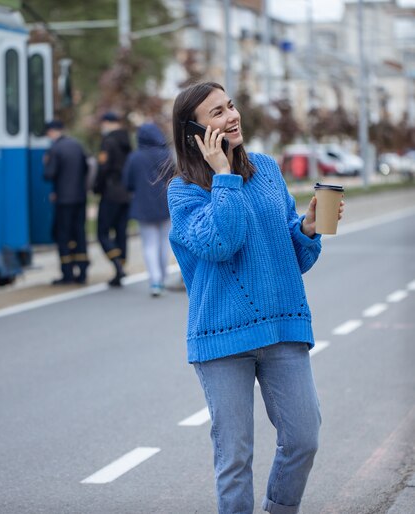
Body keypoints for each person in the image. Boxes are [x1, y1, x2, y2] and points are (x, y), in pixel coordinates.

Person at [165, 82, 344, 514]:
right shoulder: (184, 190)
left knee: (304, 437)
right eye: (217, 113)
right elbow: (222, 242)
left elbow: (291, 255)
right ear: (193, 130)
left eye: (231, 106)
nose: (232, 116)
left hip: (283, 328)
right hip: (222, 338)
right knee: (235, 456)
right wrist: (222, 174)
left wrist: (306, 228)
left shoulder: (265, 169)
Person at [122, 122, 172, 297]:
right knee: (165, 242)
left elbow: (127, 182)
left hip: (143, 205)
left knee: (149, 244)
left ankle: (155, 280)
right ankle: (163, 278)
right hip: (165, 204)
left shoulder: (134, 157)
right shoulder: (166, 155)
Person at [43, 120, 89, 285]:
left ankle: (67, 272)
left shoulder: (55, 149)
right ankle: (83, 271)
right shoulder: (77, 145)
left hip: (63, 199)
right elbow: (86, 168)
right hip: (80, 197)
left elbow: (49, 174)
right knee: (79, 234)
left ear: (51, 132)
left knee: (62, 235)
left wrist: (46, 162)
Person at [94, 112, 132, 287]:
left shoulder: (108, 142)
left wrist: (97, 187)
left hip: (111, 191)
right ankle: (121, 267)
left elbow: (103, 168)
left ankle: (117, 264)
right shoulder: (126, 141)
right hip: (126, 192)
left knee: (102, 232)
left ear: (107, 123)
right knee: (120, 231)